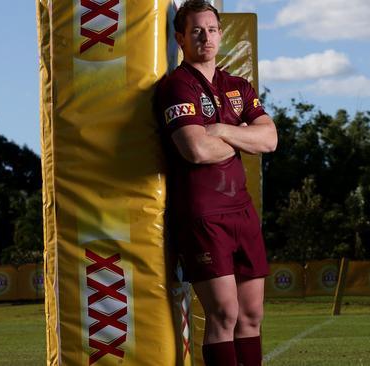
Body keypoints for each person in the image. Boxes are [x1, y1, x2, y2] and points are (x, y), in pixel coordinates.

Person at [155, 1, 277, 365]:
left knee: (252, 316)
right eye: (196, 31)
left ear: (220, 34)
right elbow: (195, 150)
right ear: (180, 38)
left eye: (211, 29)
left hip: (241, 210)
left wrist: (222, 130)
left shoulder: (237, 85)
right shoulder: (176, 87)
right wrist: (242, 136)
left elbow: (269, 140)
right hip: (202, 215)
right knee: (224, 315)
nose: (205, 37)